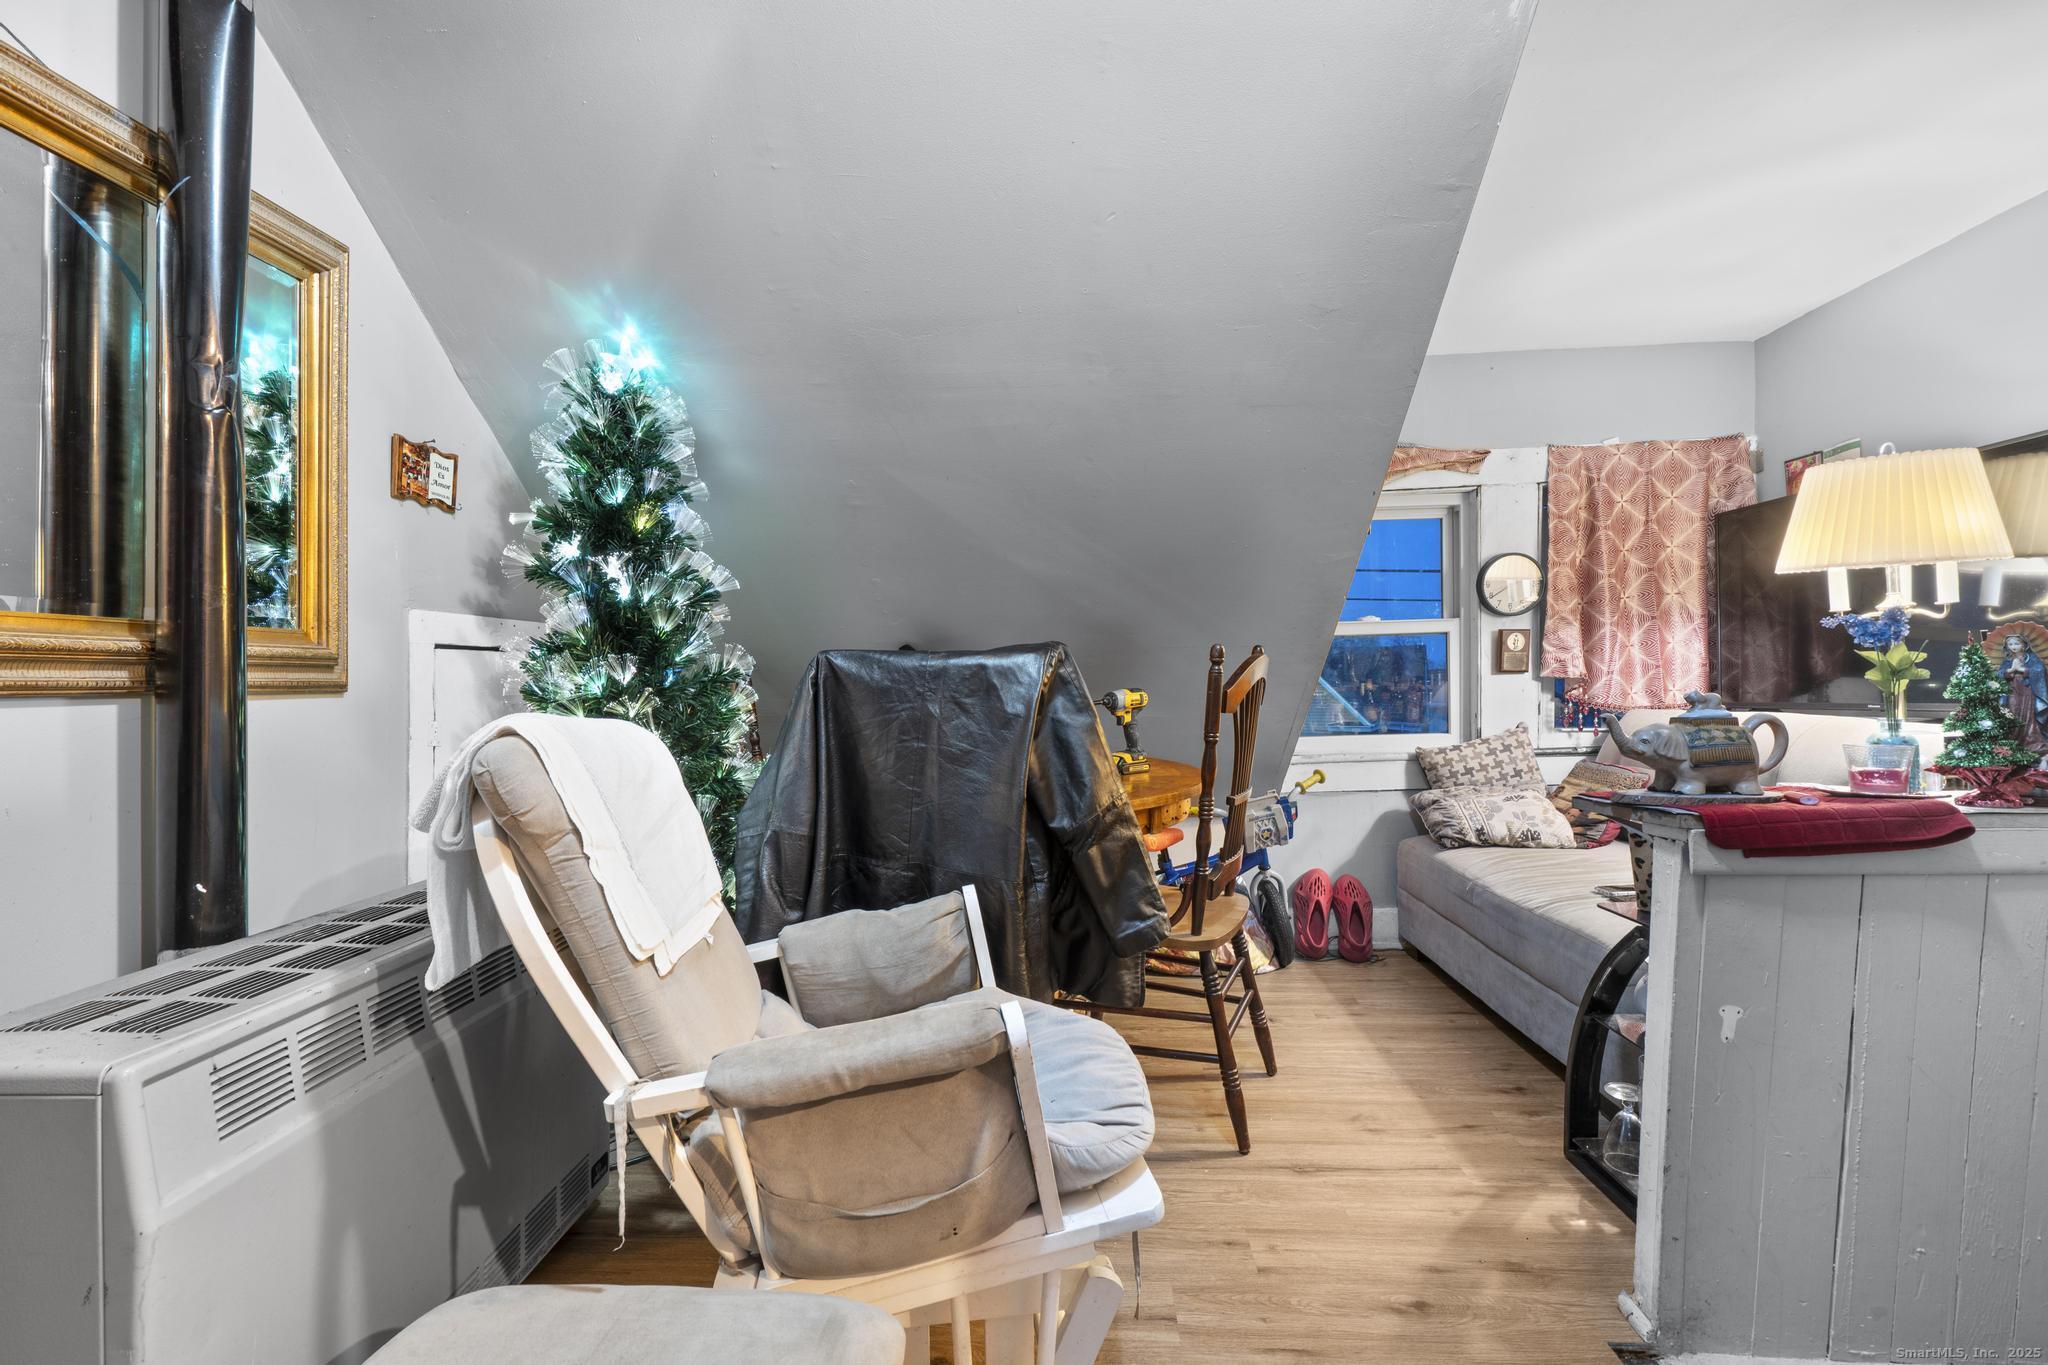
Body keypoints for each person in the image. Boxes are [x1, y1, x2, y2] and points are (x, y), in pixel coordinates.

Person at [2000, 633, 2048, 754]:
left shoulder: (2032, 658)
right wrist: (2010, 670)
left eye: (2016, 643)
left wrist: (2022, 669)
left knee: (2028, 714)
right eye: (2010, 644)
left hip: (2027, 691)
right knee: (2012, 712)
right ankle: (2013, 741)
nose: (2013, 646)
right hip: (2012, 691)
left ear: (2024, 645)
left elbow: (2039, 670)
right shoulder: (2007, 661)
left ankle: (2030, 740)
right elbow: (1999, 674)